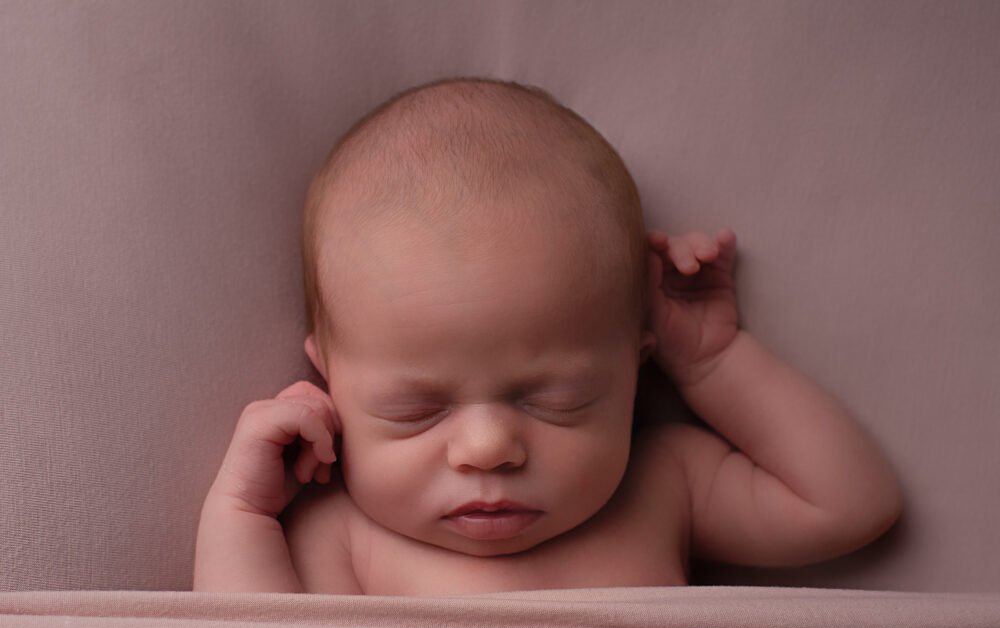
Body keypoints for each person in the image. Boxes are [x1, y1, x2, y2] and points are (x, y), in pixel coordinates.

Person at [193, 77, 901, 595]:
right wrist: (241, 512)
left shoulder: (661, 486)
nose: (488, 449)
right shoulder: (346, 535)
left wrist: (713, 363)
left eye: (557, 399)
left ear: (634, 366)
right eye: (417, 409)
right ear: (330, 386)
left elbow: (851, 504)